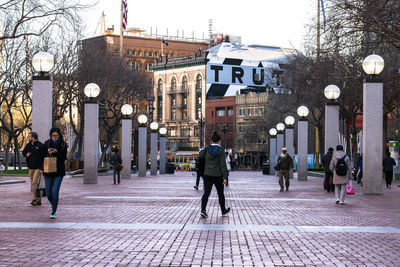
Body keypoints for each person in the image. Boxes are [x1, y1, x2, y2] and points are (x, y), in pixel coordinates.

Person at [197, 132, 230, 218]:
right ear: (219, 141)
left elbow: (199, 157)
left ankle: (203, 210)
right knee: (220, 193)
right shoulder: (220, 150)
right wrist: (225, 177)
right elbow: (223, 164)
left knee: (206, 193)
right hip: (218, 175)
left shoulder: (207, 148)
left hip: (207, 174)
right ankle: (223, 210)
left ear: (212, 140)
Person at [43, 128, 68, 219]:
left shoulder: (63, 144)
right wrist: (48, 152)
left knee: (55, 191)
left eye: (57, 136)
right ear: (50, 135)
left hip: (59, 171)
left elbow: (63, 158)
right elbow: (43, 155)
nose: (55, 137)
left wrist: (57, 152)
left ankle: (53, 211)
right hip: (48, 171)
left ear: (59, 136)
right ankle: (54, 203)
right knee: (48, 192)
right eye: (53, 135)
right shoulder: (46, 143)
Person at [22, 132, 45, 206]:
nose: (28, 138)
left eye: (29, 137)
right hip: (31, 167)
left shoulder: (40, 145)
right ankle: (39, 200)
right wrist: (26, 154)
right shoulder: (28, 145)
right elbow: (23, 152)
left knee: (34, 182)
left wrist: (42, 168)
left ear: (33, 137)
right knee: (34, 184)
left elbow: (44, 157)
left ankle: (34, 198)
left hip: (38, 168)